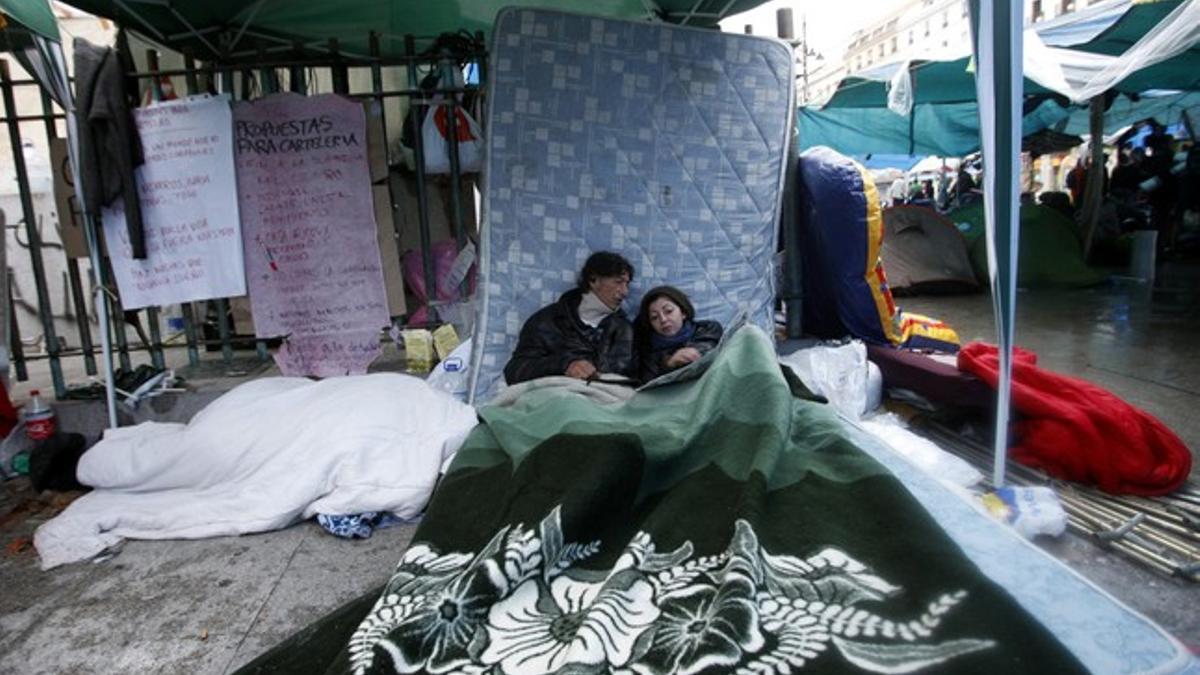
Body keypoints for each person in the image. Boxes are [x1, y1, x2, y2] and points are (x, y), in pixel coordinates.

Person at [503, 251, 638, 385]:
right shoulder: (546, 321)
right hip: (557, 398)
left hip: (608, 400)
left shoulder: (624, 329)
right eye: (618, 282)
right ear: (593, 280)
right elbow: (514, 371)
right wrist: (564, 365)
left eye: (627, 284)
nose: (625, 292)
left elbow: (634, 375)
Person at [635, 285, 723, 382]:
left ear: (683, 312)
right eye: (654, 317)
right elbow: (647, 386)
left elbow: (710, 349)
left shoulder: (708, 329)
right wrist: (669, 365)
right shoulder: (649, 353)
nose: (663, 320)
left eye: (668, 311)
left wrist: (691, 353)